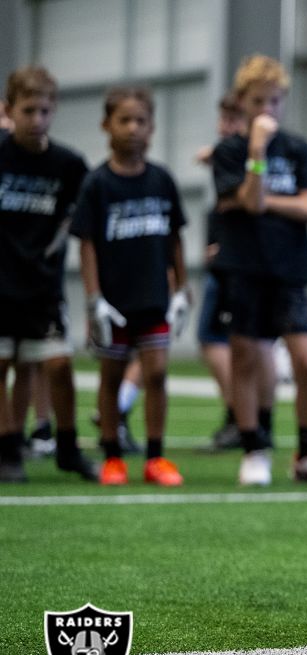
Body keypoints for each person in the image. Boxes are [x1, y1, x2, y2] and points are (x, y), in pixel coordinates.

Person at [211, 55, 307, 486]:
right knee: (246, 359)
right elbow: (249, 200)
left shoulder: (299, 147)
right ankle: (254, 450)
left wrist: (265, 200)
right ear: (242, 102)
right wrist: (255, 151)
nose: (267, 110)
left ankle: (306, 453)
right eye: (258, 101)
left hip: (289, 270)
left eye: (274, 101)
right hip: (243, 268)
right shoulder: (230, 151)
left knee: (305, 362)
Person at [70, 85, 189, 486]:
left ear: (152, 127)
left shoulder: (162, 180)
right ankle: (112, 455)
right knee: (111, 376)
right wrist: (93, 299)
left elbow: (175, 238)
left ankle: (156, 457)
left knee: (156, 374)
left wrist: (181, 290)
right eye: (125, 120)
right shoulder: (97, 184)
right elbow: (86, 243)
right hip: (114, 302)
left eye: (141, 120)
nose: (133, 128)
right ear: (107, 125)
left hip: (154, 297)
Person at [0, 66, 98, 483]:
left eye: (44, 111)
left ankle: (68, 446)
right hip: (1, 282)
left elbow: (86, 215)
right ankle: (7, 448)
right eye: (28, 111)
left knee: (57, 365)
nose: (37, 120)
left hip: (43, 283)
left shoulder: (69, 164)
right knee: (2, 363)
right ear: (9, 111)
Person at [196, 91, 277, 450]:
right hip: (242, 258)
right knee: (255, 343)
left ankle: (242, 416)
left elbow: (248, 201)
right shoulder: (232, 154)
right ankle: (253, 421)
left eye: (232, 119)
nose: (226, 127)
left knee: (231, 341)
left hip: (240, 263)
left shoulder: (245, 154)